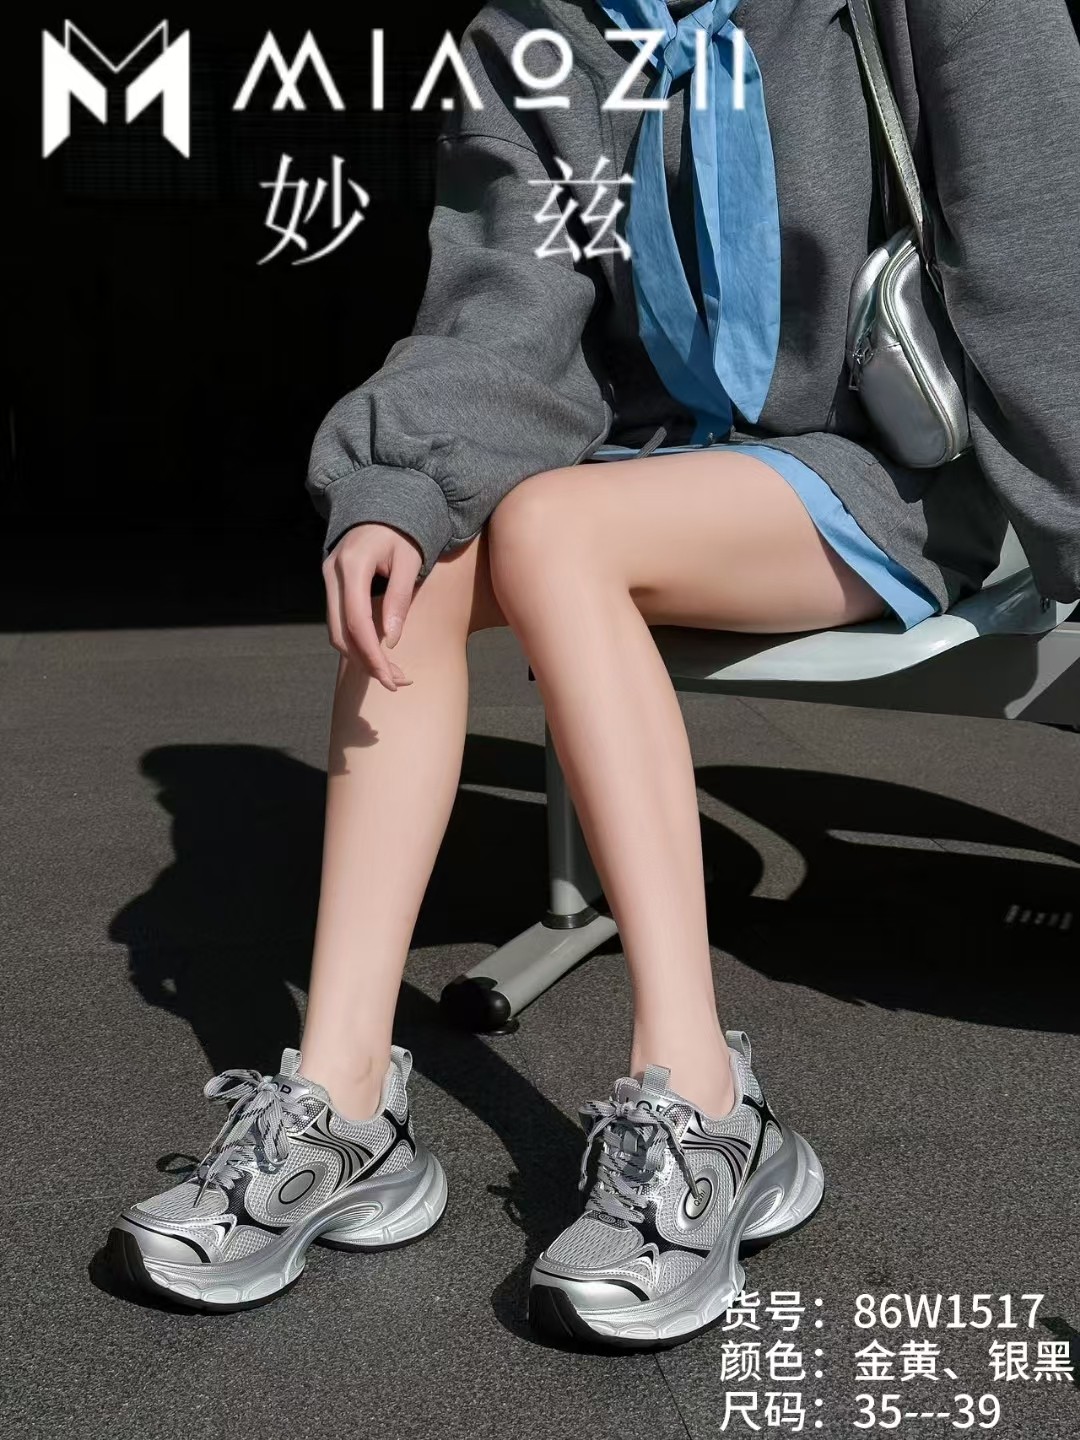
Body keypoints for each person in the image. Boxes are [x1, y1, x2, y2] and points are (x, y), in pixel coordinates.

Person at [107, 0, 1080, 1345]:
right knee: (422, 554)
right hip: (653, 464)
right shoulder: (538, 28)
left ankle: (706, 1100)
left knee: (553, 527)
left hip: (889, 472)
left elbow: (1041, 258)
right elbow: (506, 308)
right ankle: (342, 1103)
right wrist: (396, 485)